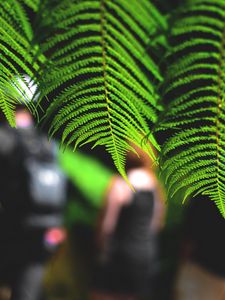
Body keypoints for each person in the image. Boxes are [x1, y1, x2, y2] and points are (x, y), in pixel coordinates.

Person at [0, 76, 67, 300]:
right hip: (42, 232)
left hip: (9, 229)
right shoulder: (47, 143)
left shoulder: (4, 138)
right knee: (26, 292)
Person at [91, 143, 166, 300]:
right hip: (145, 256)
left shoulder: (120, 183)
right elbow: (156, 223)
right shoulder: (155, 187)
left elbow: (107, 225)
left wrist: (101, 250)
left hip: (119, 255)